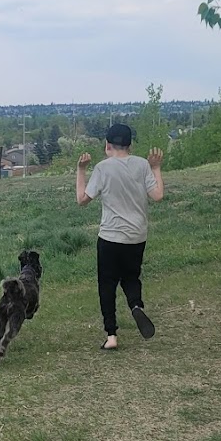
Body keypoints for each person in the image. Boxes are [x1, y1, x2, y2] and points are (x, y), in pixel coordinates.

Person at [76, 122, 164, 350]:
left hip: (110, 236)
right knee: (131, 277)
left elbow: (82, 200)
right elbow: (157, 195)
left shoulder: (103, 168)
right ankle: (136, 306)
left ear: (107, 144)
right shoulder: (142, 165)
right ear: (130, 145)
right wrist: (156, 168)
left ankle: (112, 335)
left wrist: (81, 170)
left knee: (107, 284)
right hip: (136, 236)